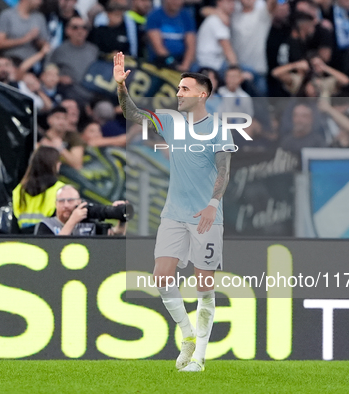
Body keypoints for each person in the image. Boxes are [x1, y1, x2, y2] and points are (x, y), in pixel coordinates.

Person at [114, 52, 232, 372]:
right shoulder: (168, 121)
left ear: (202, 95)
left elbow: (224, 172)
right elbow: (132, 113)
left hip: (206, 216)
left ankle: (200, 359)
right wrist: (121, 87)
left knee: (203, 287)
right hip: (173, 214)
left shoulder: (219, 129)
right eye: (178, 88)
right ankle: (187, 336)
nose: (178, 93)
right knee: (161, 276)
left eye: (184, 89)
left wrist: (212, 206)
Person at [35, 184, 127, 235]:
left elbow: (115, 236)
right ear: (55, 204)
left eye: (70, 200)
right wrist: (72, 221)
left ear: (79, 202)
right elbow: (51, 248)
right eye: (61, 201)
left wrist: (122, 220)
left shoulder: (88, 224)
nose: (66, 205)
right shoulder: (46, 225)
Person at [12, 146, 66, 232]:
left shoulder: (19, 190)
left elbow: (13, 227)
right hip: (49, 239)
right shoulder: (62, 190)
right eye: (58, 161)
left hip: (22, 239)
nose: (60, 163)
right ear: (53, 164)